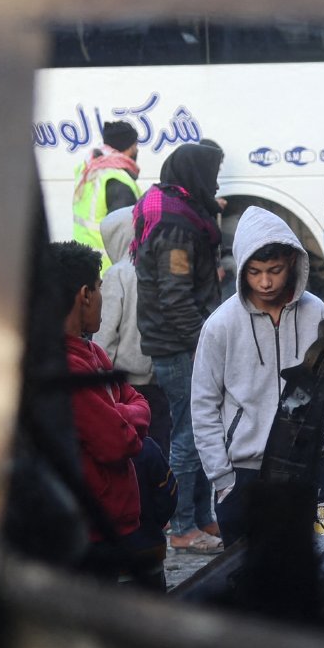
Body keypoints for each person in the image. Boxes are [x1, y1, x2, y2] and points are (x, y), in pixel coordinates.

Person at [192, 206, 324, 546]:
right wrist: (222, 479)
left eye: (274, 270)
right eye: (255, 272)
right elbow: (203, 405)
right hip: (246, 476)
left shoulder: (316, 313)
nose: (265, 282)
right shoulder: (220, 325)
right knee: (251, 575)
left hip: (314, 466)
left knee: (321, 567)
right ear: (242, 269)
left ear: (291, 262)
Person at [45, 241, 167, 589]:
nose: (102, 297)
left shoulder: (93, 353)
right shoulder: (66, 366)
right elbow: (117, 442)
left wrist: (119, 412)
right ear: (85, 295)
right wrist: (124, 415)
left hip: (114, 522)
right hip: (91, 529)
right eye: (99, 289)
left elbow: (137, 401)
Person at [134, 141, 226, 553]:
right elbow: (175, 297)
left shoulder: (177, 211)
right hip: (179, 347)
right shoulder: (176, 226)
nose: (216, 184)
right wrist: (203, 343)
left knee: (204, 429)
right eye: (212, 175)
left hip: (182, 342)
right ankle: (183, 526)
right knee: (189, 434)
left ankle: (202, 517)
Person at [93, 207, 162, 448]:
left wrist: (102, 382)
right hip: (159, 377)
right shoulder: (157, 267)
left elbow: (105, 335)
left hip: (126, 384)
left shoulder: (117, 274)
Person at [71, 121, 142, 270]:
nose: (137, 150)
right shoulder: (117, 180)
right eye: (136, 145)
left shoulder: (89, 170)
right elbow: (123, 234)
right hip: (107, 269)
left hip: (83, 263)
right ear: (129, 147)